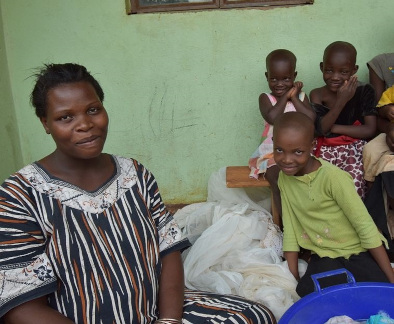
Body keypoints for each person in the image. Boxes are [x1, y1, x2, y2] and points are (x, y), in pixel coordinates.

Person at [0, 63, 276, 324]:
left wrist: (169, 319)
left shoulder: (134, 174)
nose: (85, 124)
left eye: (93, 110)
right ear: (45, 123)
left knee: (254, 315)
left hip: (152, 311)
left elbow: (169, 251)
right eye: (65, 117)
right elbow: (19, 306)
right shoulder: (20, 195)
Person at [273, 111, 394, 297]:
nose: (287, 160)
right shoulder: (284, 179)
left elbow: (365, 225)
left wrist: (391, 282)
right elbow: (290, 227)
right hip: (325, 253)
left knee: (376, 292)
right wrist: (293, 278)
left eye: (298, 151)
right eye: (279, 150)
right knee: (307, 291)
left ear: (312, 146)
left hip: (358, 250)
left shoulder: (333, 178)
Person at [249, 49, 315, 222]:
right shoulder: (266, 98)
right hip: (272, 153)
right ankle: (286, 224)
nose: (280, 84)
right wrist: (287, 95)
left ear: (294, 76)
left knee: (311, 178)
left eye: (286, 79)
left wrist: (295, 98)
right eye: (274, 79)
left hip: (299, 152)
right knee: (277, 179)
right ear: (266, 76)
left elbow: (311, 119)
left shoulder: (301, 97)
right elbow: (272, 117)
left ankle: (309, 221)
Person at [310, 41, 377, 199]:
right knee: (321, 189)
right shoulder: (317, 94)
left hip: (355, 151)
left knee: (352, 189)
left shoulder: (365, 91)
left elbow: (369, 130)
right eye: (329, 70)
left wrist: (333, 128)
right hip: (324, 150)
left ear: (354, 70)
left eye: (344, 71)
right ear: (321, 67)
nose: (335, 77)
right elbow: (320, 130)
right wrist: (341, 100)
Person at [363, 85, 394, 255]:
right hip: (390, 133)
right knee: (370, 149)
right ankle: (370, 183)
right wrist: (387, 110)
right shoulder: (392, 91)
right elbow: (380, 109)